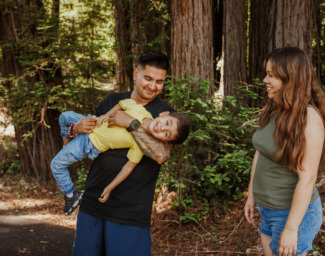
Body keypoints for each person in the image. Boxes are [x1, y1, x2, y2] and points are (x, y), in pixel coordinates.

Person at [69, 50, 180, 256]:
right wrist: (75, 129)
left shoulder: (164, 116)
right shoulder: (112, 100)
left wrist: (131, 123)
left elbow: (161, 155)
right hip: (93, 201)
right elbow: (83, 143)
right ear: (136, 72)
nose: (153, 86)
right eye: (148, 78)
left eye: (159, 81)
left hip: (131, 211)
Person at [244, 47, 324, 256]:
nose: (264, 80)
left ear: (290, 78)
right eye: (266, 74)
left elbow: (307, 178)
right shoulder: (275, 108)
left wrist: (291, 228)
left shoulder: (310, 119)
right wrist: (251, 194)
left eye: (271, 75)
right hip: (268, 210)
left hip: (293, 216)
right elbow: (260, 152)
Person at [51, 99, 190, 214]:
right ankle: (66, 146)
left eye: (166, 133)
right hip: (92, 121)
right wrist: (106, 115)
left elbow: (128, 167)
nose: (162, 128)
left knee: (56, 165)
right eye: (167, 123)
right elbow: (122, 103)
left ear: (165, 141)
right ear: (164, 114)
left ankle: (71, 194)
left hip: (89, 143)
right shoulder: (140, 110)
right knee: (64, 116)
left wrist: (110, 187)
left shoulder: (142, 144)